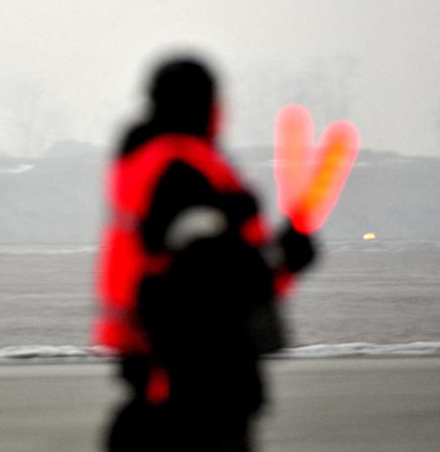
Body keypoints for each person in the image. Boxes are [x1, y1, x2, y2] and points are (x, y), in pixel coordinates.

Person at [94, 55, 316, 451]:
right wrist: (282, 258)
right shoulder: (182, 170)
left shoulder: (148, 164)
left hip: (163, 368)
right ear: (208, 105)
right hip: (197, 378)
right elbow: (210, 278)